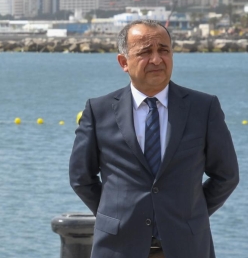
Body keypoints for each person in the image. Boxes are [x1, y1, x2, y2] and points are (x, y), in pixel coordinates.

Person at [69, 19, 239, 258]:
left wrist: (190, 214)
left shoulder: (204, 108)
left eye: (164, 50)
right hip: (117, 249)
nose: (157, 60)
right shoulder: (99, 111)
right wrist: (117, 217)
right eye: (145, 52)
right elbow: (81, 178)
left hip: (187, 247)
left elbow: (227, 175)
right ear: (123, 62)